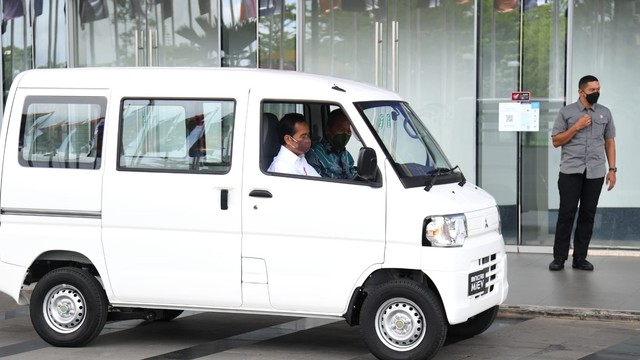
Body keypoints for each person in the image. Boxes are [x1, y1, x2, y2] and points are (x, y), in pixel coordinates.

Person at [549, 75, 616, 271]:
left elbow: (609, 142)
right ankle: (559, 258)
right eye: (592, 90)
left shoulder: (605, 113)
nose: (596, 93)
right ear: (581, 92)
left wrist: (612, 170)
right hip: (571, 171)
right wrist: (576, 127)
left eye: (598, 89)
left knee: (588, 215)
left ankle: (580, 258)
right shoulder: (566, 113)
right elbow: (556, 141)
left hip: (595, 172)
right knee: (566, 214)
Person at [306, 109, 356, 179]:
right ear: (328, 129)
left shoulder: (347, 156)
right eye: (340, 130)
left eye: (349, 131)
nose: (345, 135)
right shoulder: (315, 154)